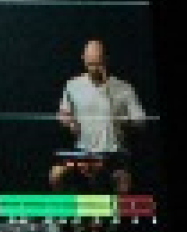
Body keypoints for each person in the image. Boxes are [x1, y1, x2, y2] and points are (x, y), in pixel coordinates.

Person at [47, 38, 147, 193]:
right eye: (90, 64)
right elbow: (63, 113)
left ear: (105, 60)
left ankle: (115, 216)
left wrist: (124, 122)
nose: (93, 68)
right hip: (83, 153)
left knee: (122, 181)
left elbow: (141, 121)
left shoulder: (124, 88)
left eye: (97, 64)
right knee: (56, 175)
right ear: (83, 59)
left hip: (113, 154)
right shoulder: (72, 85)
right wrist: (67, 121)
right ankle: (73, 214)